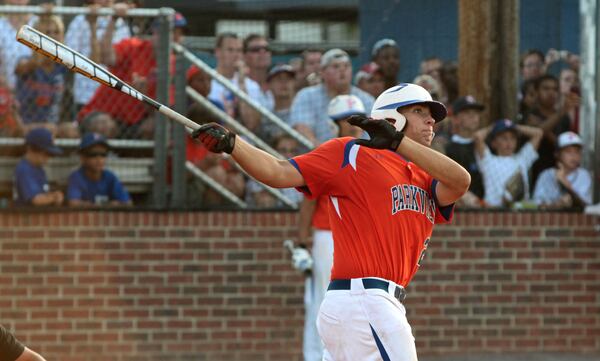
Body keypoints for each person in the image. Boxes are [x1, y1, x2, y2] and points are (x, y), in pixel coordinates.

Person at [191, 83, 471, 360]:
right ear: (391, 119)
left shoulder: (427, 175)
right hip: (366, 300)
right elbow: (277, 172)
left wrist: (400, 143)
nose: (430, 119)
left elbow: (461, 181)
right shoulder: (351, 152)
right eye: (419, 110)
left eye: (431, 114)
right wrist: (233, 144)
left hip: (368, 306)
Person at [296, 94, 366, 361]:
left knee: (355, 299)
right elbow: (308, 200)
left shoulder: (371, 152)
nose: (354, 126)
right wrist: (303, 240)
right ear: (334, 124)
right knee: (323, 298)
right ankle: (314, 356)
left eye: (358, 120)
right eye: (347, 121)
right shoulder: (330, 151)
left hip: (356, 237)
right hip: (326, 233)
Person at [289, 48, 374, 146]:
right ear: (322, 72)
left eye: (346, 66)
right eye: (336, 66)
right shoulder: (306, 95)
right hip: (317, 156)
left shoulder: (366, 99)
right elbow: (301, 128)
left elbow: (372, 135)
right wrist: (326, 154)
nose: (342, 70)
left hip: (360, 156)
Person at [64, 0, 131, 112]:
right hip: (86, 92)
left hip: (113, 92)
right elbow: (69, 57)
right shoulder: (80, 20)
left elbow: (121, 57)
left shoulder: (120, 21)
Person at [474, 119, 543, 208]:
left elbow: (538, 133)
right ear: (494, 143)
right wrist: (494, 126)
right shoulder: (488, 160)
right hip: (493, 210)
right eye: (504, 138)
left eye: (512, 138)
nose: (509, 142)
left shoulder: (522, 159)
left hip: (520, 211)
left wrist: (514, 126)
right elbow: (478, 136)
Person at [67, 132, 132, 207]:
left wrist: (113, 204)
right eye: (93, 154)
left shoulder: (110, 177)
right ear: (82, 158)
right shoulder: (77, 177)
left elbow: (128, 203)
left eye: (103, 154)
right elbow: (73, 203)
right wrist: (104, 206)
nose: (99, 159)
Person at [445, 95, 486, 208]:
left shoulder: (485, 145)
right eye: (468, 113)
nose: (473, 117)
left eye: (476, 113)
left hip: (490, 209)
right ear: (456, 119)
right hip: (462, 210)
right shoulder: (448, 148)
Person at [533, 131, 592, 209]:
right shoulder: (546, 175)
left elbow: (585, 206)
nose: (574, 156)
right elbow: (536, 206)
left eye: (577, 152)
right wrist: (555, 205)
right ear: (557, 154)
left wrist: (565, 183)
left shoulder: (584, 175)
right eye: (568, 151)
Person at [13, 127, 64, 207]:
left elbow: (43, 195)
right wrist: (54, 197)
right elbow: (36, 200)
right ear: (31, 149)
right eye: (46, 153)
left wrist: (54, 195)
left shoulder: (39, 169)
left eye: (50, 154)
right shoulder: (24, 169)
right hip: (25, 217)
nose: (48, 158)